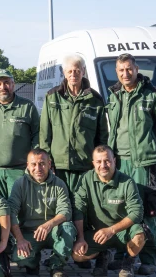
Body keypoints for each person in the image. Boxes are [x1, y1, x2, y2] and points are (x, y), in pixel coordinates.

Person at [107, 53, 156, 275]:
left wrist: (149, 146)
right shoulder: (114, 95)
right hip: (119, 163)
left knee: (148, 210)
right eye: (121, 70)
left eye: (129, 69)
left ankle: (148, 258)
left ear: (136, 69)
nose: (125, 74)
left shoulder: (154, 95)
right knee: (120, 209)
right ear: (116, 72)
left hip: (144, 164)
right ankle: (122, 255)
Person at [72, 145, 146, 277]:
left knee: (139, 235)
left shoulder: (127, 182)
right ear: (93, 163)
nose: (103, 165)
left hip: (122, 231)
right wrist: (80, 238)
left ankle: (128, 263)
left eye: (107, 161)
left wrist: (111, 230)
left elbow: (137, 212)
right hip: (98, 233)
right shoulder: (86, 179)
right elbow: (78, 209)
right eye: (99, 162)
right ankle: (103, 255)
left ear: (114, 161)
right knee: (77, 256)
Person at [40, 54, 108, 197]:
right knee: (60, 203)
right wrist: (47, 161)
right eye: (70, 71)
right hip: (58, 165)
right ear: (64, 73)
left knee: (82, 204)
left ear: (83, 71)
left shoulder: (95, 99)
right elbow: (45, 132)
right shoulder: (52, 97)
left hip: (85, 165)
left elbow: (102, 136)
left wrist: (98, 161)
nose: (73, 74)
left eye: (77, 71)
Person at [8, 148, 78, 277]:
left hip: (53, 230)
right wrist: (20, 239)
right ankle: (32, 262)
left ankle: (56, 265)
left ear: (49, 164)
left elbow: (66, 212)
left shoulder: (59, 183)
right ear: (28, 165)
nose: (38, 168)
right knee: (19, 257)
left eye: (42, 163)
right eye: (34, 164)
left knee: (68, 229)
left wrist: (49, 224)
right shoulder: (19, 184)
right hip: (30, 232)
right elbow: (11, 212)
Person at [0, 69, 39, 198]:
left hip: (19, 171)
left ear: (13, 84)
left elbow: (37, 134)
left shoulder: (27, 106)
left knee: (18, 207)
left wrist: (33, 162)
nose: (3, 87)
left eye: (6, 83)